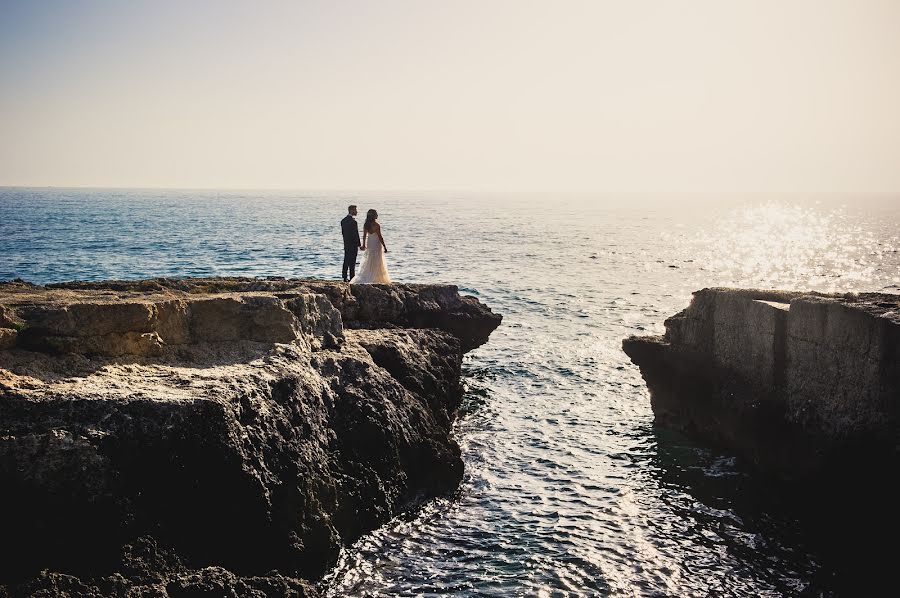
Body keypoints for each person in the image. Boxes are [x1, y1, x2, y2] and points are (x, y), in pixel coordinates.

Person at [350, 209, 391, 284]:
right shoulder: (376, 225)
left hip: (370, 243)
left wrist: (363, 244)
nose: (377, 215)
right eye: (376, 214)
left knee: (369, 259)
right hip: (376, 243)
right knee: (377, 259)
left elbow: (364, 236)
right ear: (374, 216)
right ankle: (376, 276)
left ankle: (368, 274)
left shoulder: (366, 225)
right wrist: (384, 246)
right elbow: (380, 236)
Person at [340, 205, 361, 282]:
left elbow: (344, 233)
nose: (356, 212)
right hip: (353, 244)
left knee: (346, 260)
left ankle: (344, 276)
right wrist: (359, 244)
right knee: (352, 262)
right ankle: (352, 277)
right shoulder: (353, 222)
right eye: (355, 210)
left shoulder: (343, 221)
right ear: (351, 210)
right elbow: (355, 234)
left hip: (346, 243)